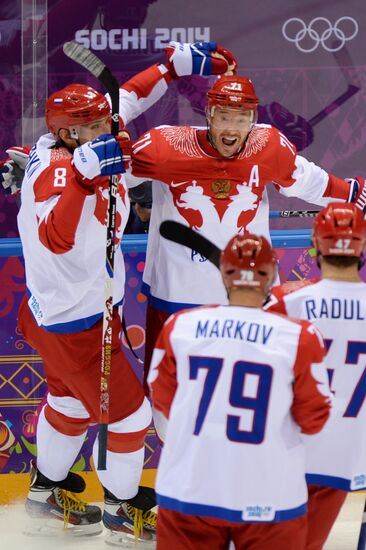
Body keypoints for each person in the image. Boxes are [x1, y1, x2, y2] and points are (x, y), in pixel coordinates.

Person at [15, 41, 237, 544]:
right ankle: (121, 512)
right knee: (132, 413)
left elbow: (125, 102)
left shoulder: (65, 144)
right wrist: (80, 182)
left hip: (60, 314)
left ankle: (46, 494)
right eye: (93, 127)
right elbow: (55, 236)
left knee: (70, 403)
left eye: (101, 123)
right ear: (68, 135)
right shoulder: (63, 169)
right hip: (77, 321)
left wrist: (173, 66)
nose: (106, 131)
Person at [124, 74, 366, 392]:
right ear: (209, 114)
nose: (231, 128)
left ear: (252, 118)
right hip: (177, 295)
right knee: (168, 394)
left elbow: (312, 183)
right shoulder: (165, 147)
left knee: (252, 389)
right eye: (224, 117)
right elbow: (112, 181)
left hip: (249, 296)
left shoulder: (267, 147)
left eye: (241, 119)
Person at [147, 233, 331, 550]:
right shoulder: (299, 337)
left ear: (223, 274)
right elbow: (313, 419)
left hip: (189, 489)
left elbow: (163, 400)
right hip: (270, 496)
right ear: (271, 276)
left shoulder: (181, 326)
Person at [264, 203, 366, 550]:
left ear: (315, 243)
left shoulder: (284, 301)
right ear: (363, 247)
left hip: (288, 446)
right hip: (347, 452)